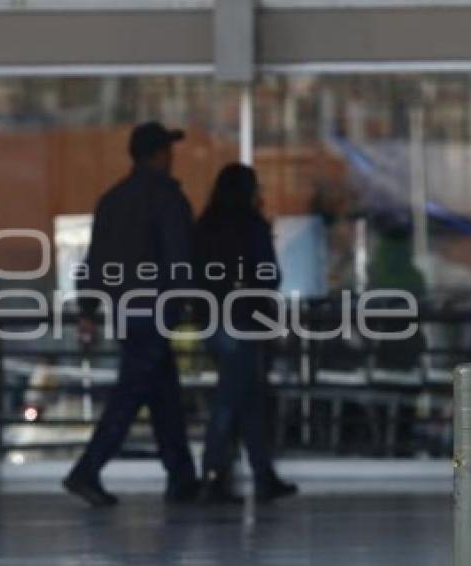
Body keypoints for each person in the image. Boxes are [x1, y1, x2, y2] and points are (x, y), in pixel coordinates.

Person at [63, 121, 199, 506]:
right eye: (168, 150)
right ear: (158, 155)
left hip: (126, 312)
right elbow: (179, 258)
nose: (173, 157)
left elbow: (93, 262)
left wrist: (88, 308)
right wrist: (183, 304)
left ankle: (182, 477)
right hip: (155, 310)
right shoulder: (166, 197)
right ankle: (86, 470)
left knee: (162, 393)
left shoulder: (113, 199)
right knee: (131, 395)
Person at [192, 163, 296, 503]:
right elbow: (269, 276)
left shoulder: (205, 226)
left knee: (246, 398)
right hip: (243, 321)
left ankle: (261, 474)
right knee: (232, 399)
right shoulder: (251, 226)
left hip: (212, 320)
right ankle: (212, 473)